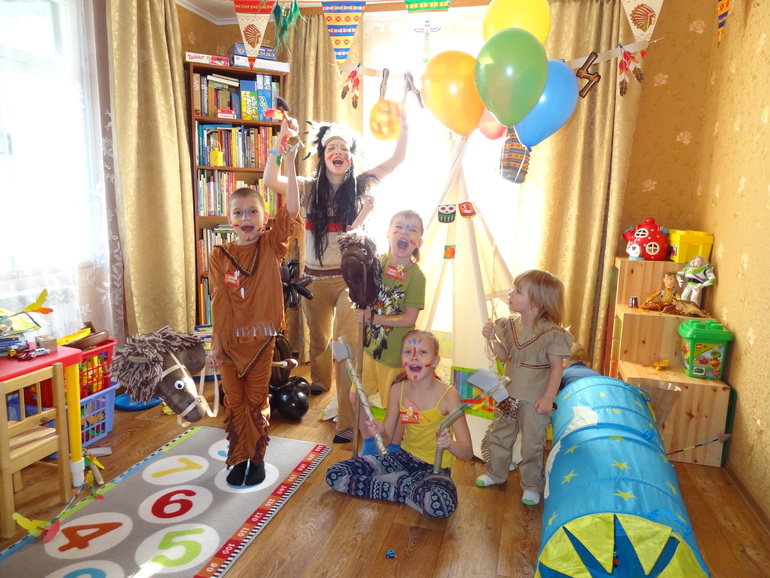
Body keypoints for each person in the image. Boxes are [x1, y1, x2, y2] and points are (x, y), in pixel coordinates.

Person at [263, 112, 409, 444]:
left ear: (351, 158)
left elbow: (397, 159)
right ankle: (319, 381)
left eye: (344, 148)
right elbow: (270, 179)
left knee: (345, 345)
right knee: (318, 338)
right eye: (331, 148)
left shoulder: (359, 186)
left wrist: (405, 126)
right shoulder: (307, 188)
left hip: (347, 282)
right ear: (323, 156)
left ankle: (346, 421)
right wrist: (281, 139)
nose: (338, 152)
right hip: (313, 279)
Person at [208, 141, 301, 486]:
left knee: (256, 400)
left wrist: (289, 163)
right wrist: (216, 344)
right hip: (230, 344)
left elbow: (293, 208)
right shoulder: (219, 255)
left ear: (264, 218)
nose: (245, 218)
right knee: (234, 403)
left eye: (252, 212)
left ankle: (257, 458)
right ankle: (239, 457)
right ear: (229, 219)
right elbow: (219, 301)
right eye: (238, 213)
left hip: (261, 341)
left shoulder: (271, 245)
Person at [326, 329, 473, 518]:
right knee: (334, 474)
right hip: (402, 459)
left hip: (435, 470)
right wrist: (380, 432)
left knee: (442, 505)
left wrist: (449, 444)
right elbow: (386, 442)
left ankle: (396, 484)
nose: (414, 357)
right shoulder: (398, 389)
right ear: (402, 359)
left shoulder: (449, 396)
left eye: (422, 352)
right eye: (408, 352)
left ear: (435, 361)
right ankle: (408, 490)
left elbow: (467, 453)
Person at [476, 270, 573, 506]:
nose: (510, 293)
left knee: (532, 444)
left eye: (518, 291)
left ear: (536, 304)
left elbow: (556, 368)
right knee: (500, 435)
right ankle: (496, 473)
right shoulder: (508, 324)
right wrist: (492, 339)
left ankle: (530, 485)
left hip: (534, 401)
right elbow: (505, 356)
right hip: (508, 396)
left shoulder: (552, 334)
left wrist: (548, 398)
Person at [352, 209, 426, 455]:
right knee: (356, 398)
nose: (405, 232)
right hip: (369, 350)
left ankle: (394, 449)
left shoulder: (416, 277)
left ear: (418, 242)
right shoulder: (376, 263)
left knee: (395, 408)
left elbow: (409, 319)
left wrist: (373, 318)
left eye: (412, 229)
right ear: (388, 234)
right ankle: (369, 443)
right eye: (400, 227)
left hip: (395, 357)